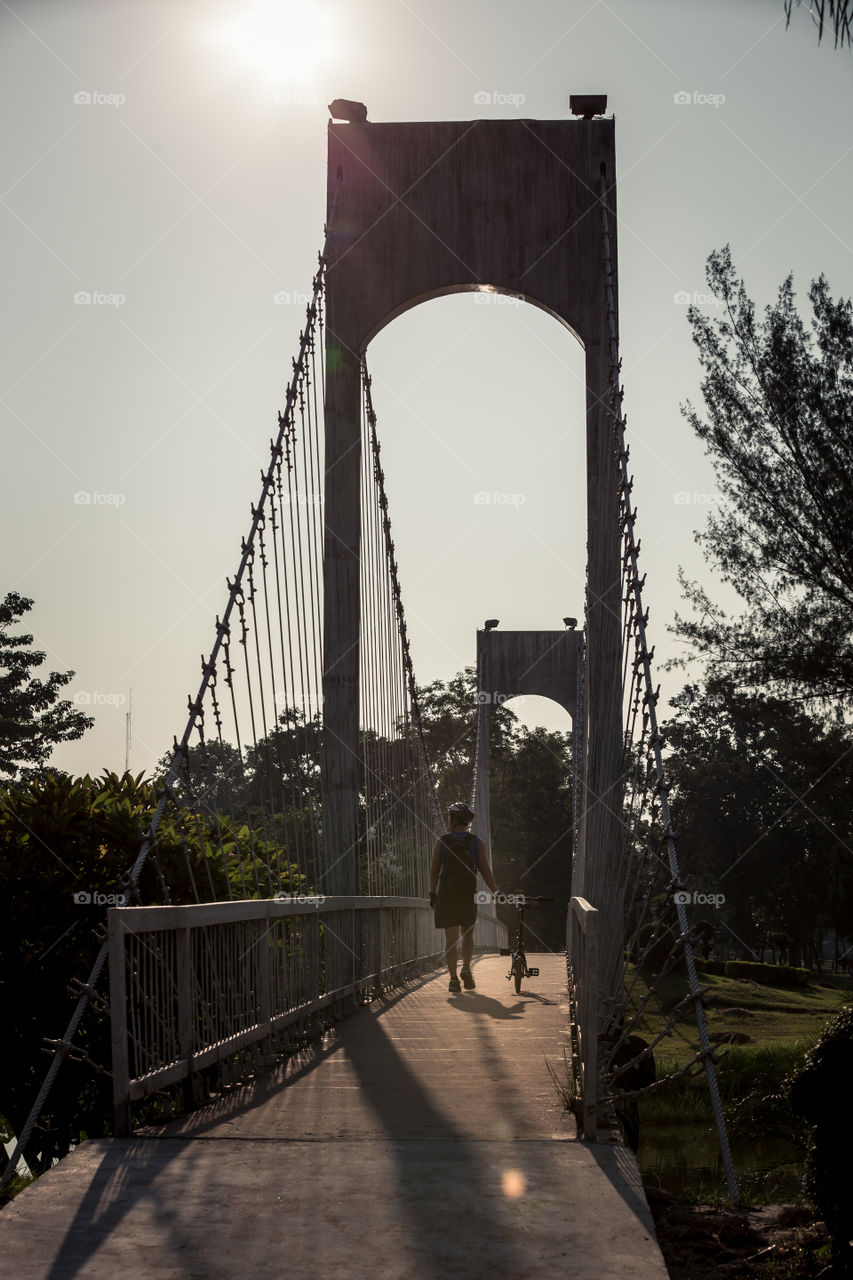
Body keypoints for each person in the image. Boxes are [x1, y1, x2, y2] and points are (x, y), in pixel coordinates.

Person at [429, 801, 498, 992]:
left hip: (447, 896)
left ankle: (453, 980)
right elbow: (485, 871)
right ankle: (466, 967)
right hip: (468, 895)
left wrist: (432, 893)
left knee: (450, 939)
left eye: (448, 817)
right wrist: (496, 892)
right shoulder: (476, 843)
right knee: (468, 935)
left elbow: (434, 872)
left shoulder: (442, 841)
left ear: (453, 819)